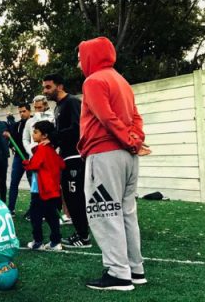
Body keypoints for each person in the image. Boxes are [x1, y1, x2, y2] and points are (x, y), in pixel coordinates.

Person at [77, 36, 150, 291]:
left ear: (91, 56)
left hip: (105, 154)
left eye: (80, 57)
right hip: (128, 155)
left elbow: (106, 117)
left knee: (104, 212)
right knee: (127, 212)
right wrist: (135, 140)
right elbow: (136, 117)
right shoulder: (122, 81)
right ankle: (135, 269)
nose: (78, 63)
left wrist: (128, 139)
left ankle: (119, 274)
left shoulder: (94, 81)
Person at [42, 73, 92, 248]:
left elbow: (78, 128)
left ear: (60, 86)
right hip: (65, 157)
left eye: (48, 87)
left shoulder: (72, 102)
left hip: (75, 157)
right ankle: (80, 233)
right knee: (70, 199)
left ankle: (84, 238)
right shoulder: (57, 107)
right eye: (44, 87)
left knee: (76, 198)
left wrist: (54, 136)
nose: (45, 91)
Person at [23, 121, 66, 251]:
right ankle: (55, 242)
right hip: (53, 191)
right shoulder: (52, 150)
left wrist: (26, 163)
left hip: (40, 191)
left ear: (44, 135)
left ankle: (38, 242)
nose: (33, 134)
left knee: (35, 217)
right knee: (52, 216)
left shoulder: (42, 149)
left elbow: (33, 165)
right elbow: (61, 164)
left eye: (36, 132)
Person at [5, 103, 32, 215]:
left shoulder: (34, 123)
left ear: (29, 111)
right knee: (14, 183)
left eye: (24, 111)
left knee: (33, 184)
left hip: (31, 157)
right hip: (18, 157)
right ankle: (11, 209)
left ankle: (32, 210)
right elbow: (12, 140)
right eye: (20, 112)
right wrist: (11, 144)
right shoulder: (17, 125)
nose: (22, 113)